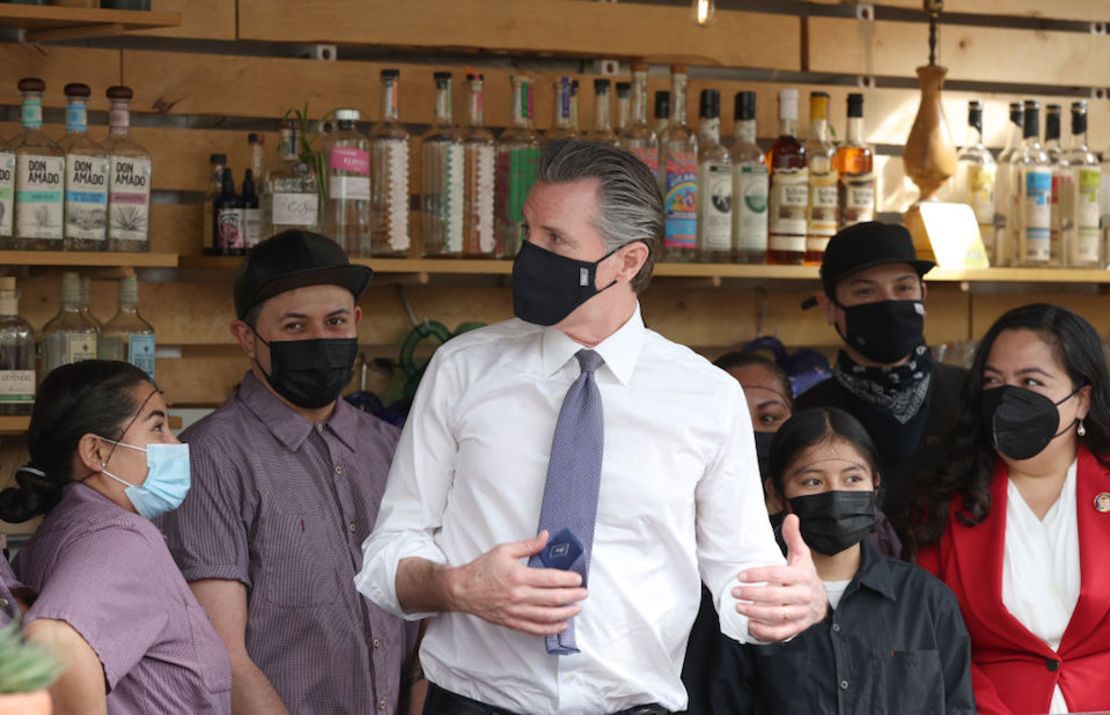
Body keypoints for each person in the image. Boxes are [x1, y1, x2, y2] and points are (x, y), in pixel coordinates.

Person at [356, 139, 827, 714]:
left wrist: (793, 605)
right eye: (527, 232)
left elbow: (742, 581)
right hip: (473, 702)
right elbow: (386, 555)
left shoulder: (707, 397)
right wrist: (455, 588)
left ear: (628, 261)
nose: (530, 254)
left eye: (555, 240)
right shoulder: (462, 369)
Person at [158, 231, 415, 715]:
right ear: (246, 339)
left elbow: (424, 622)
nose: (320, 339)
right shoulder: (211, 458)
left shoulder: (393, 447)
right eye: (295, 327)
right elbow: (224, 658)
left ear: (357, 323)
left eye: (335, 322)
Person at [690, 407, 975, 713]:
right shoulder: (747, 602)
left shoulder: (928, 601)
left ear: (875, 485)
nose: (836, 494)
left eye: (853, 478)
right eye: (812, 482)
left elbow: (957, 706)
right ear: (775, 493)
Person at [2, 360, 231, 715]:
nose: (175, 442)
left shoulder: (54, 534)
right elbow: (54, 642)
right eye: (157, 427)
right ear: (97, 452)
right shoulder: (120, 538)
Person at [915, 304, 1110, 715]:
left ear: (1082, 401)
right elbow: (929, 641)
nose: (1007, 398)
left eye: (1031, 382)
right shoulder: (941, 502)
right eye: (993, 381)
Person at [797, 221, 967, 529]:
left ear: (923, 294)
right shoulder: (809, 412)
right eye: (865, 291)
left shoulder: (970, 394)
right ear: (829, 307)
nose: (888, 304)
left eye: (903, 288)